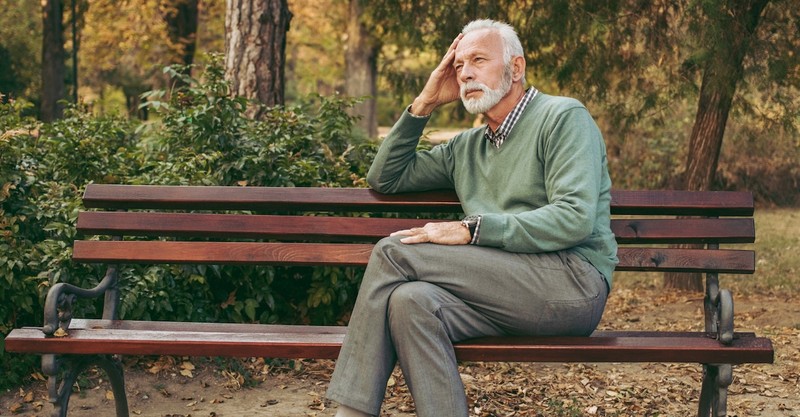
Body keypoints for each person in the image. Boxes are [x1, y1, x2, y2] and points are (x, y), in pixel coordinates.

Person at [326, 19, 618, 417]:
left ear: (516, 69)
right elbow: (386, 178)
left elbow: (575, 217)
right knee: (410, 303)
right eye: (458, 65)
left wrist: (472, 229)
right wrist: (425, 103)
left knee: (394, 252)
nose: (464, 73)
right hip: (499, 290)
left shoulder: (563, 117)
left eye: (478, 60)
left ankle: (349, 414)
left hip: (568, 283)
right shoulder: (465, 148)